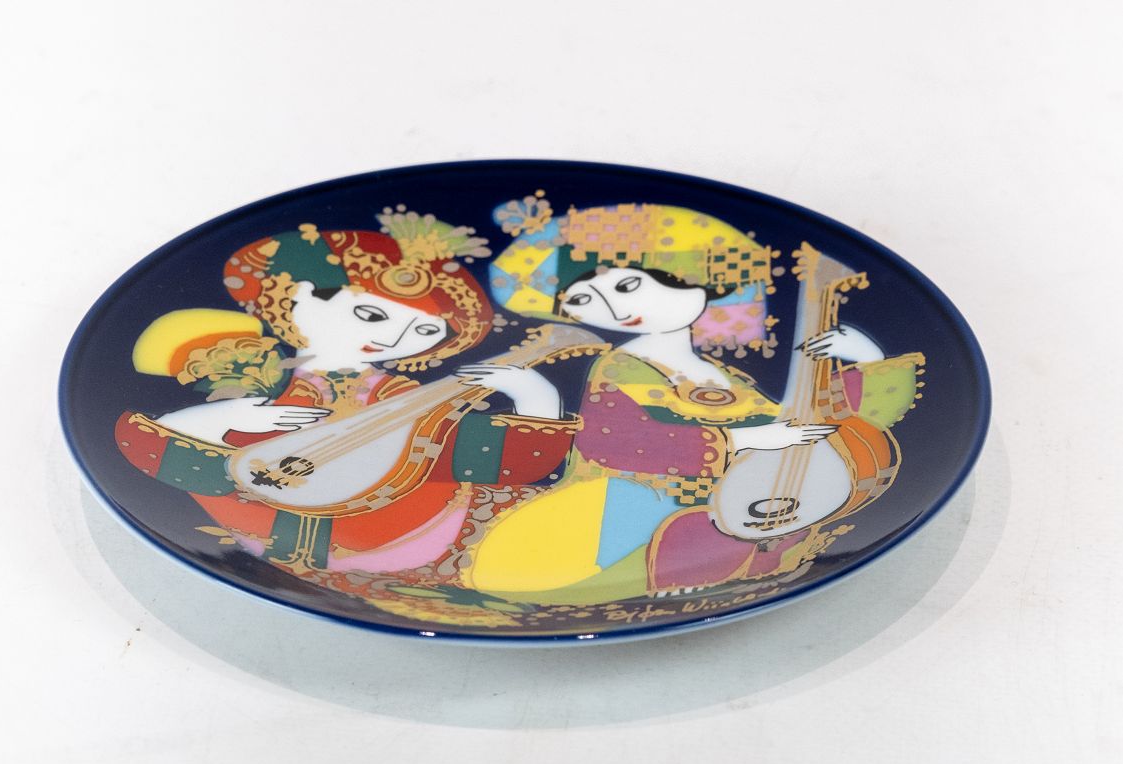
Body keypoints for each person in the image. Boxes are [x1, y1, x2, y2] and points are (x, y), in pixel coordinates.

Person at [461, 196, 923, 602]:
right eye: (584, 300)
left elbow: (806, 419)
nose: (616, 310)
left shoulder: (725, 374)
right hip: (633, 501)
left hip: (739, 498)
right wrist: (741, 441)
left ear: (693, 281)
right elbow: (616, 443)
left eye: (627, 286)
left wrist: (867, 358)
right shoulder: (620, 367)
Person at [115, 212, 579, 580]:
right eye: (372, 315)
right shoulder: (259, 377)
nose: (394, 339)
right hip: (262, 528)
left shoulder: (401, 397)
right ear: (300, 295)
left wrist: (533, 393)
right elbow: (149, 450)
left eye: (423, 331)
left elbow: (493, 454)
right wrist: (225, 419)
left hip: (395, 536)